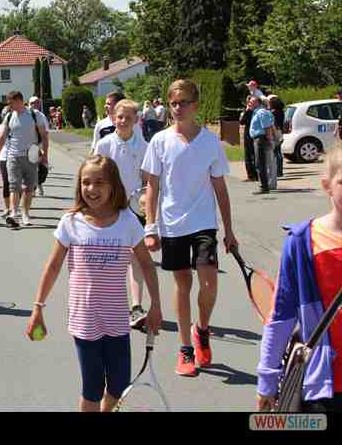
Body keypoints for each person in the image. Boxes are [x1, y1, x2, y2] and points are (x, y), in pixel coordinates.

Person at [25, 154, 162, 412]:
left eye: (99, 182)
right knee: (92, 387)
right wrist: (38, 307)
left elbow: (146, 265)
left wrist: (155, 306)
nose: (91, 189)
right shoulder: (71, 222)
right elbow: (52, 266)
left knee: (119, 385)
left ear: (113, 185)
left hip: (116, 319)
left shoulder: (127, 222)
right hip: (84, 319)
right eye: (86, 182)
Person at [141, 79, 238, 377]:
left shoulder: (209, 142)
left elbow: (220, 188)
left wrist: (229, 230)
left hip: (204, 224)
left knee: (209, 282)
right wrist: (150, 226)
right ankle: (185, 349)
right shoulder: (159, 141)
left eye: (184, 102)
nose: (178, 108)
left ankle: (202, 329)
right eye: (174, 103)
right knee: (183, 284)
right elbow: (152, 187)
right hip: (171, 225)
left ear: (195, 105)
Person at [256, 145, 342, 413]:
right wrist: (267, 380)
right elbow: (281, 316)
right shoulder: (301, 242)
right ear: (327, 186)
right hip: (323, 384)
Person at [94, 99, 149, 329]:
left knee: (135, 257)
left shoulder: (145, 147)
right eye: (120, 117)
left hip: (135, 210)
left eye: (128, 117)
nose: (123, 121)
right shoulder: (105, 145)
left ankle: (136, 307)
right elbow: (93, 178)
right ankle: (104, 305)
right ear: (114, 118)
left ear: (136, 120)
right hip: (108, 208)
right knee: (107, 258)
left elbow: (149, 182)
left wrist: (147, 202)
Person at [0, 91, 49, 228]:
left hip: (32, 154)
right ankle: (14, 214)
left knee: (29, 187)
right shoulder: (10, 116)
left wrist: (45, 155)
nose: (9, 106)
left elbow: (44, 136)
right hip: (13, 156)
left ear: (19, 100)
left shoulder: (35, 115)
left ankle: (25, 214)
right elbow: (2, 138)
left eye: (10, 103)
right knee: (14, 186)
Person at [249, 96, 276, 194]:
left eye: (252, 101)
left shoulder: (261, 112)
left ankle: (264, 187)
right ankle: (264, 186)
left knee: (260, 163)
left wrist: (269, 140)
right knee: (259, 163)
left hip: (261, 139)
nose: (249, 103)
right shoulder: (257, 112)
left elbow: (267, 127)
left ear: (258, 103)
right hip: (258, 139)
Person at [29, 96, 52, 197]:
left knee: (44, 168)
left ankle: (39, 183)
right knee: (33, 167)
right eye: (33, 103)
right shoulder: (26, 115)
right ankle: (33, 188)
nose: (35, 104)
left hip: (40, 144)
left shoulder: (41, 115)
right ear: (30, 104)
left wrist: (45, 150)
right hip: (30, 145)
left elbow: (46, 132)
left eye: (37, 102)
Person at [0, 112, 12, 218]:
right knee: (6, 183)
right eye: (5, 115)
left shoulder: (18, 126)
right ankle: (7, 208)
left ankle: (14, 207)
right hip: (3, 157)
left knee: (15, 184)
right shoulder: (1, 128)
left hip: (16, 156)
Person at [240, 96, 259, 182]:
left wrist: (247, 110)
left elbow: (242, 121)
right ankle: (251, 175)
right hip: (249, 135)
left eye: (251, 102)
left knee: (253, 155)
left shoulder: (255, 112)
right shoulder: (251, 111)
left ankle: (254, 175)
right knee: (250, 155)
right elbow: (242, 121)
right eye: (249, 102)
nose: (249, 104)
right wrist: (247, 110)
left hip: (253, 135)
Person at [268, 95, 285, 178]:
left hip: (275, 132)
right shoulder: (281, 111)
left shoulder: (273, 112)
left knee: (276, 152)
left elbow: (273, 123)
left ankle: (278, 171)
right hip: (280, 132)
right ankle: (280, 170)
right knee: (278, 152)